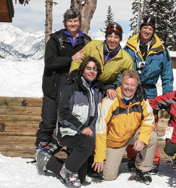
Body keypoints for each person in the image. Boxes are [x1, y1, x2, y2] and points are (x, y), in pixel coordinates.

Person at [36, 57, 105, 188]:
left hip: (86, 135)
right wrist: (81, 127)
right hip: (69, 131)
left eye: (95, 69)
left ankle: (47, 160)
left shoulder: (98, 90)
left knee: (82, 177)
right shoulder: (72, 89)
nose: (92, 71)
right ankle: (68, 170)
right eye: (88, 68)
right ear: (82, 70)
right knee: (87, 144)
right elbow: (62, 114)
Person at [35, 8, 92, 151]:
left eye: (75, 21)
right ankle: (41, 149)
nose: (73, 24)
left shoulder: (86, 41)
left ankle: (71, 155)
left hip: (74, 88)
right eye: (70, 21)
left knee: (70, 124)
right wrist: (71, 59)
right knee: (48, 122)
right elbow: (49, 61)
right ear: (65, 22)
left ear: (80, 22)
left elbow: (91, 63)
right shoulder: (56, 39)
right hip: (53, 86)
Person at [124, 16, 174, 173]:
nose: (147, 30)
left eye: (150, 28)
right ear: (140, 29)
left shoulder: (161, 51)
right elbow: (121, 71)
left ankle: (152, 159)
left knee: (150, 126)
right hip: (131, 90)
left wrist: (167, 100)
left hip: (150, 92)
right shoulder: (129, 48)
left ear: (153, 31)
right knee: (132, 125)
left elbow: (167, 78)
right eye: (145, 27)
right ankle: (133, 157)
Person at [92, 70, 158, 185]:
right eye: (126, 84)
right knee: (108, 176)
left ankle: (142, 169)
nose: (129, 88)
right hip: (114, 142)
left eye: (132, 85)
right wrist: (99, 157)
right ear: (121, 84)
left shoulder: (141, 99)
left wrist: (141, 139)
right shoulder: (111, 100)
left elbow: (148, 120)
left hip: (131, 134)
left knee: (152, 136)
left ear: (137, 86)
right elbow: (101, 130)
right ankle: (94, 162)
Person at [69, 22, 134, 99]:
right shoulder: (93, 45)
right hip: (86, 83)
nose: (112, 40)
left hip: (106, 89)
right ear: (106, 37)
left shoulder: (125, 58)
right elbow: (78, 59)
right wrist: (74, 72)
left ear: (120, 39)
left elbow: (129, 77)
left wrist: (135, 86)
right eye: (110, 36)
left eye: (116, 37)